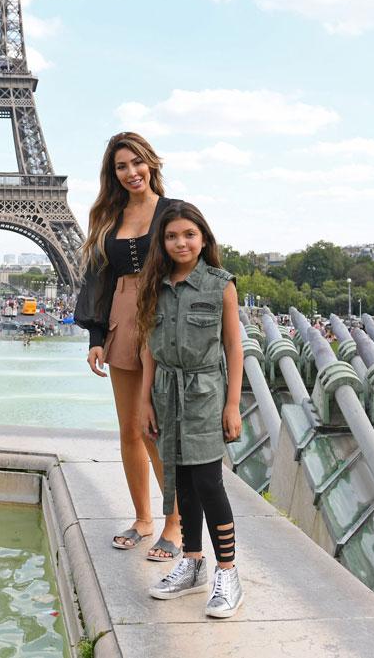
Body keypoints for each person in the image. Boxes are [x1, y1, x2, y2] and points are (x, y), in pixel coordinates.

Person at [74, 132, 182, 561]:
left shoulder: (173, 213)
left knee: (159, 430)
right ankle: (143, 519)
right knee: (130, 430)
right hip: (122, 321)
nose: (131, 172)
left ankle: (176, 524)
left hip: (163, 320)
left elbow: (196, 259)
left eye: (136, 162)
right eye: (121, 166)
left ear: (151, 163)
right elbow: (96, 280)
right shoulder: (108, 217)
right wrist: (96, 337)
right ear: (112, 173)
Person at [135, 201, 244, 618]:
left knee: (208, 481)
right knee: (180, 479)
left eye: (189, 234)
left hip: (205, 392)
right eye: (172, 235)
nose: (181, 242)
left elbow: (234, 348)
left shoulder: (221, 285)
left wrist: (232, 404)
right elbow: (148, 349)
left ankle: (228, 572)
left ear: (203, 238)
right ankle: (193, 562)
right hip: (166, 391)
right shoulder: (154, 285)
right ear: (162, 242)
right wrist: (145, 399)